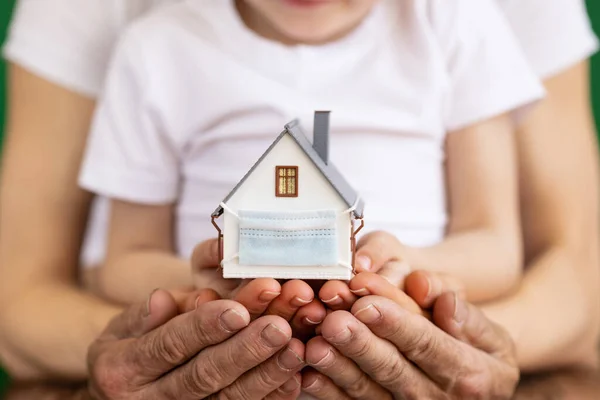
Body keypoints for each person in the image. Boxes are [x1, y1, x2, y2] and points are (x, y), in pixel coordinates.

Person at [0, 0, 598, 398]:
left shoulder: (458, 25)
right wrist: (212, 292)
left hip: (391, 323)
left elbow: (495, 244)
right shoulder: (157, 47)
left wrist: (409, 277)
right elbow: (123, 260)